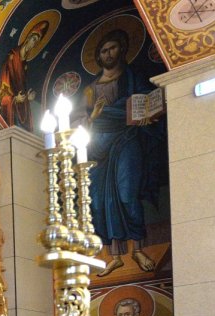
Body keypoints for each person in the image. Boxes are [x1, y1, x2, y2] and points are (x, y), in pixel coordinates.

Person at [84, 26, 165, 274]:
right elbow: (82, 121)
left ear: (122, 49)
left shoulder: (133, 77)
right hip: (98, 145)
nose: (108, 54)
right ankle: (115, 255)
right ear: (98, 56)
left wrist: (147, 114)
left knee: (127, 195)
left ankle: (138, 249)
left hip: (127, 139)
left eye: (113, 48)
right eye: (104, 50)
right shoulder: (90, 89)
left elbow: (147, 100)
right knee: (99, 201)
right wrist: (95, 116)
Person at [0, 20, 47, 128]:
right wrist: (14, 98)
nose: (34, 44)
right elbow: (4, 84)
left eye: (36, 42)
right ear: (28, 38)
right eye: (33, 39)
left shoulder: (25, 65)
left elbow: (22, 87)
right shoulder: (12, 56)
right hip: (12, 103)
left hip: (22, 105)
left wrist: (27, 97)